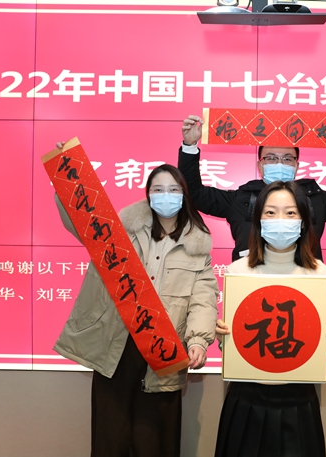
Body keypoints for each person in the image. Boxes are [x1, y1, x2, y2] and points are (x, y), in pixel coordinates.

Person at [52, 163, 219, 457]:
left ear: (184, 195)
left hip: (164, 353)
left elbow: (203, 300)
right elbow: (82, 223)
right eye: (158, 189)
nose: (165, 195)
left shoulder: (197, 247)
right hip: (116, 349)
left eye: (173, 189)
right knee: (110, 440)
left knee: (155, 443)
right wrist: (67, 180)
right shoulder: (122, 231)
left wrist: (198, 341)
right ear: (148, 194)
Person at [214, 180, 326, 457]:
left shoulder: (320, 273)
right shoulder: (238, 271)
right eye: (271, 213)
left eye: (291, 213)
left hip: (298, 399)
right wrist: (223, 337)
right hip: (246, 397)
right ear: (258, 220)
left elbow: (323, 344)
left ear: (304, 221)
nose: (280, 220)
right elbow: (230, 345)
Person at [179, 114, 326, 261]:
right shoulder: (241, 199)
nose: (279, 163)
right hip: (249, 282)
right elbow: (194, 194)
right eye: (271, 158)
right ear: (260, 165)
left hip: (306, 282)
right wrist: (190, 146)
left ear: (297, 166)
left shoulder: (315, 199)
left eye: (287, 159)